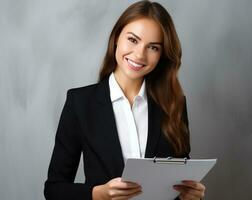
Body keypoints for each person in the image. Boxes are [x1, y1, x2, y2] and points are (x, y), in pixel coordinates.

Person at [44, 1, 206, 199]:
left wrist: (188, 195)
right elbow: (53, 189)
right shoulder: (79, 103)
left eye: (153, 47)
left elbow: (178, 182)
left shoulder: (174, 104)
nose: (139, 54)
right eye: (133, 40)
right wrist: (97, 194)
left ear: (162, 55)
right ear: (116, 39)